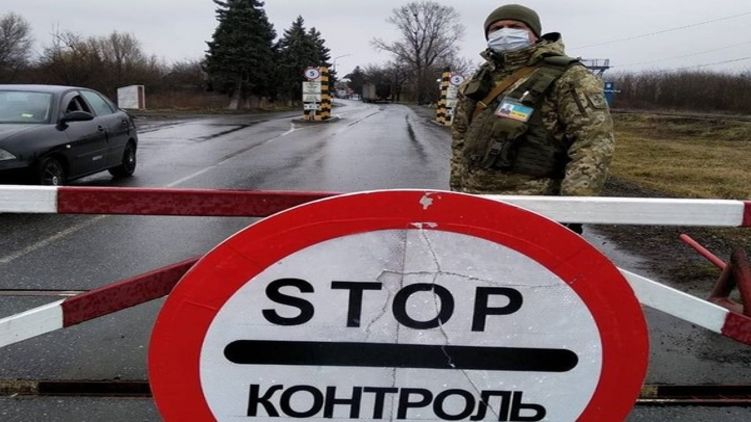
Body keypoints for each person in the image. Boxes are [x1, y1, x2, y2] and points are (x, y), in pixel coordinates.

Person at [451, 4, 615, 216]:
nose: (505, 32)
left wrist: (573, 208)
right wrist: (456, 192)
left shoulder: (569, 77)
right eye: (496, 28)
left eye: (515, 26)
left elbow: (592, 143)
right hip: (474, 201)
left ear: (535, 34)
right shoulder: (479, 79)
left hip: (535, 206)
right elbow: (460, 140)